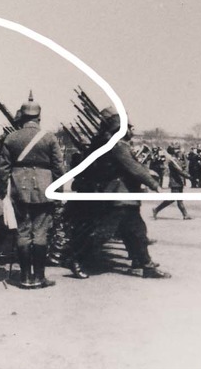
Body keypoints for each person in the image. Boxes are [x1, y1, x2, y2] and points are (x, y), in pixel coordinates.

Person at [63, 107, 170, 279]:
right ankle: (77, 260)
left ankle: (146, 265)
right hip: (119, 197)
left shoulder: (117, 144)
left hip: (125, 197)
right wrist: (155, 185)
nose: (130, 131)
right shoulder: (118, 145)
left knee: (137, 232)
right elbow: (133, 168)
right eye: (127, 127)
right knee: (103, 233)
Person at [0, 96, 66, 289]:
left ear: (22, 116)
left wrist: (3, 190)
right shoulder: (49, 137)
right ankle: (40, 277)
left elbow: (3, 169)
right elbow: (59, 168)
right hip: (45, 190)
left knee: (23, 233)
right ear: (39, 116)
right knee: (41, 233)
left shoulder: (11, 138)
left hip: (20, 190)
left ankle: (25, 278)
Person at [152, 149, 192, 220]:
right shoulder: (172, 161)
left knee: (179, 200)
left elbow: (183, 167)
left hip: (179, 182)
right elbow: (179, 171)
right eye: (179, 152)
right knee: (172, 199)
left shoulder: (177, 160)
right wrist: (188, 176)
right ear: (175, 153)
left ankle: (185, 215)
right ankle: (156, 209)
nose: (180, 153)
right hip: (175, 182)